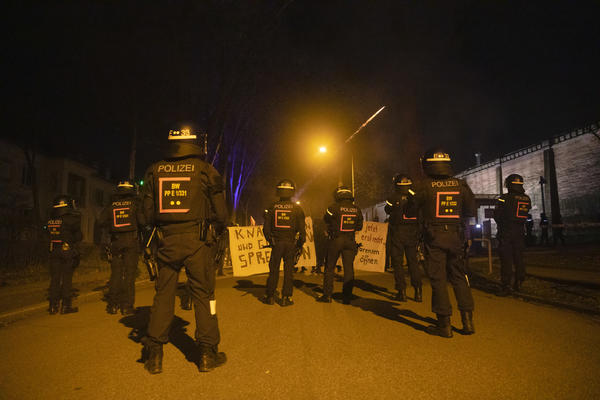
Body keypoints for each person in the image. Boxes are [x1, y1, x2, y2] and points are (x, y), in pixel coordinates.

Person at [140, 126, 228, 374]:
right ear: (195, 144)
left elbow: (145, 215)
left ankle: (154, 354)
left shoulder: (154, 170)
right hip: (198, 243)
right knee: (204, 295)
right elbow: (221, 214)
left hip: (166, 242)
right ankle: (207, 354)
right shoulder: (205, 171)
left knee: (163, 295)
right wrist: (217, 230)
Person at [413, 149, 476, 338]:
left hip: (434, 238)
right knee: (459, 277)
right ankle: (467, 323)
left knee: (438, 280)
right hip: (456, 237)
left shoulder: (423, 186)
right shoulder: (460, 184)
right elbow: (471, 210)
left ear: (427, 165)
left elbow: (411, 208)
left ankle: (444, 325)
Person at [98, 180, 144, 315]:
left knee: (116, 274)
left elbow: (101, 222)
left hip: (115, 243)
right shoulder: (135, 204)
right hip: (131, 242)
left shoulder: (111, 205)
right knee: (129, 275)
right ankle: (127, 306)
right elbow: (142, 222)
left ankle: (112, 305)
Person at [261, 180, 306, 306]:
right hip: (291, 243)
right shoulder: (297, 209)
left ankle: (269, 296)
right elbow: (302, 231)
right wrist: (299, 244)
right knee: (288, 271)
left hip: (277, 244)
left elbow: (266, 229)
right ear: (292, 192)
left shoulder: (272, 207)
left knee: (274, 270)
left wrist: (271, 240)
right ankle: (286, 297)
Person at [318, 185, 364, 304]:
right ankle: (347, 296)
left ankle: (327, 295)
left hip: (335, 240)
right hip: (350, 240)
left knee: (330, 268)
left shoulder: (333, 208)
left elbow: (326, 219)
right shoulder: (357, 209)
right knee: (348, 268)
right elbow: (359, 226)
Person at [384, 174, 422, 302]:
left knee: (398, 263)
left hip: (398, 234)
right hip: (413, 233)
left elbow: (387, 210)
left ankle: (402, 292)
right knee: (413, 263)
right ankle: (418, 292)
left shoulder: (393, 197)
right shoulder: (415, 196)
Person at [494, 174, 532, 295]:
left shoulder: (503, 198)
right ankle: (519, 281)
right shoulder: (527, 198)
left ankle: (506, 285)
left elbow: (497, 215)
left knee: (506, 260)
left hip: (506, 232)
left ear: (509, 184)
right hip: (520, 232)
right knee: (519, 258)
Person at [46, 195, 82, 314]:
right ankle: (66, 306)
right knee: (67, 279)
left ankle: (52, 306)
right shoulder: (71, 219)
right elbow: (79, 236)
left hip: (54, 250)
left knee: (55, 279)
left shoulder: (50, 220)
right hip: (67, 251)